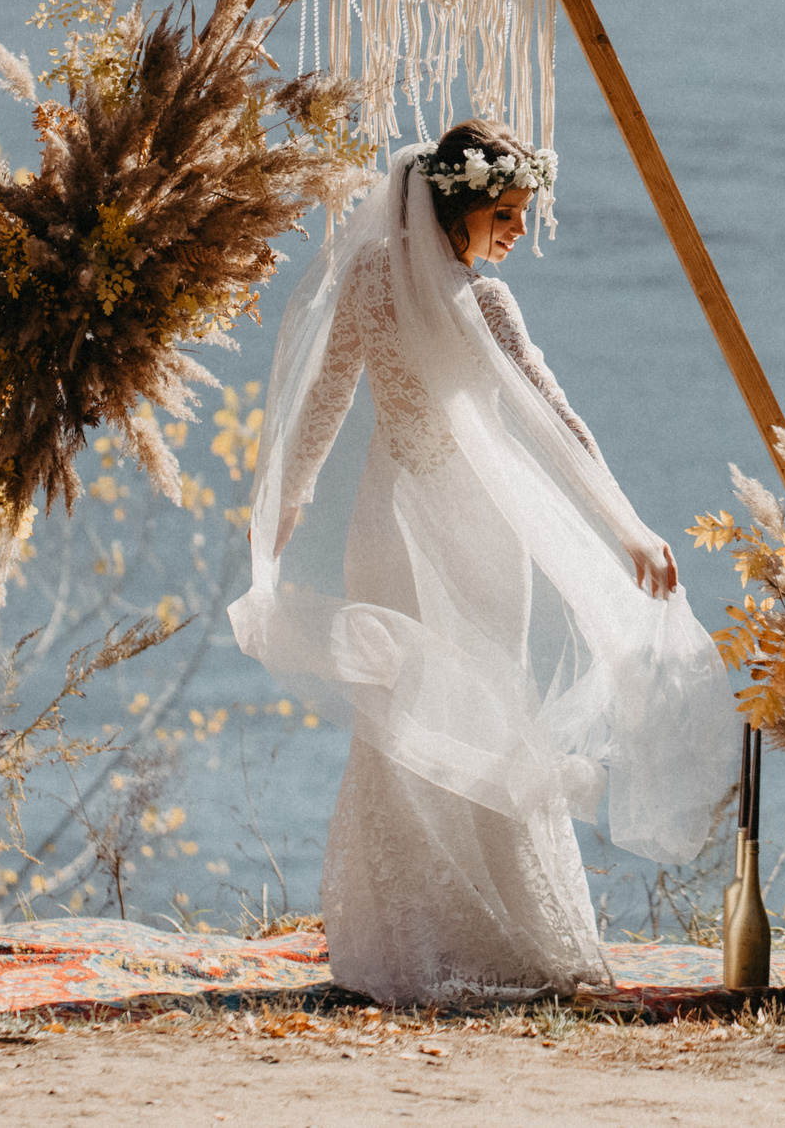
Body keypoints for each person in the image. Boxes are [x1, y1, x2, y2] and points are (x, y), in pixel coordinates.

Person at [228, 120, 736, 1005]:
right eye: (506, 214)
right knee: (402, 710)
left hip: (448, 530)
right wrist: (287, 498)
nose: (519, 232)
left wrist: (626, 527)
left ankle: (461, 935)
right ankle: (428, 936)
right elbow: (346, 395)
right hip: (415, 527)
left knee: (486, 705)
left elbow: (545, 417)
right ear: (456, 206)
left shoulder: (413, 287)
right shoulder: (457, 298)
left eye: (524, 213)